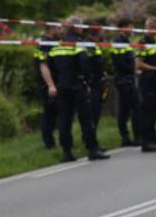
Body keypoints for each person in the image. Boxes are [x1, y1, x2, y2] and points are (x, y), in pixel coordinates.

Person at [41, 17, 109, 162]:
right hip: (77, 86)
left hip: (62, 87)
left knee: (64, 120)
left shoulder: (57, 45)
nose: (83, 28)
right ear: (76, 28)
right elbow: (84, 64)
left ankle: (67, 152)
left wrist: (55, 83)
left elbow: (50, 66)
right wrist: (87, 82)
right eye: (81, 26)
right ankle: (93, 149)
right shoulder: (78, 43)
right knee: (86, 118)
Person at [135, 16, 156, 152]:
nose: (151, 29)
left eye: (154, 27)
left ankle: (153, 139)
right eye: (149, 26)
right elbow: (139, 64)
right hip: (146, 81)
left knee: (153, 112)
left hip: (155, 80)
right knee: (147, 112)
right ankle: (146, 142)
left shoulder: (154, 41)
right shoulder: (143, 41)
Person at [110, 20, 140, 147]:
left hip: (125, 79)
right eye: (130, 26)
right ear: (123, 27)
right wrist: (132, 70)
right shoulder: (119, 42)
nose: (132, 29)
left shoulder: (125, 41)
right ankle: (137, 137)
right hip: (124, 80)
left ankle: (125, 138)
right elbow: (119, 62)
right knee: (136, 107)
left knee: (124, 110)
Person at [33, 24, 60, 149]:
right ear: (51, 29)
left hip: (54, 82)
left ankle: (55, 141)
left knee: (55, 113)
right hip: (48, 84)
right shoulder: (44, 44)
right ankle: (49, 144)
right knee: (49, 114)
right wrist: (50, 85)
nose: (60, 31)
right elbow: (43, 65)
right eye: (58, 29)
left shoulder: (51, 42)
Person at [86, 24, 108, 133]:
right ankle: (90, 140)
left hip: (98, 83)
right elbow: (88, 65)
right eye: (102, 31)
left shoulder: (95, 45)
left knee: (97, 112)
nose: (104, 34)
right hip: (93, 83)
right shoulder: (89, 46)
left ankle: (92, 138)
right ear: (98, 32)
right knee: (93, 113)